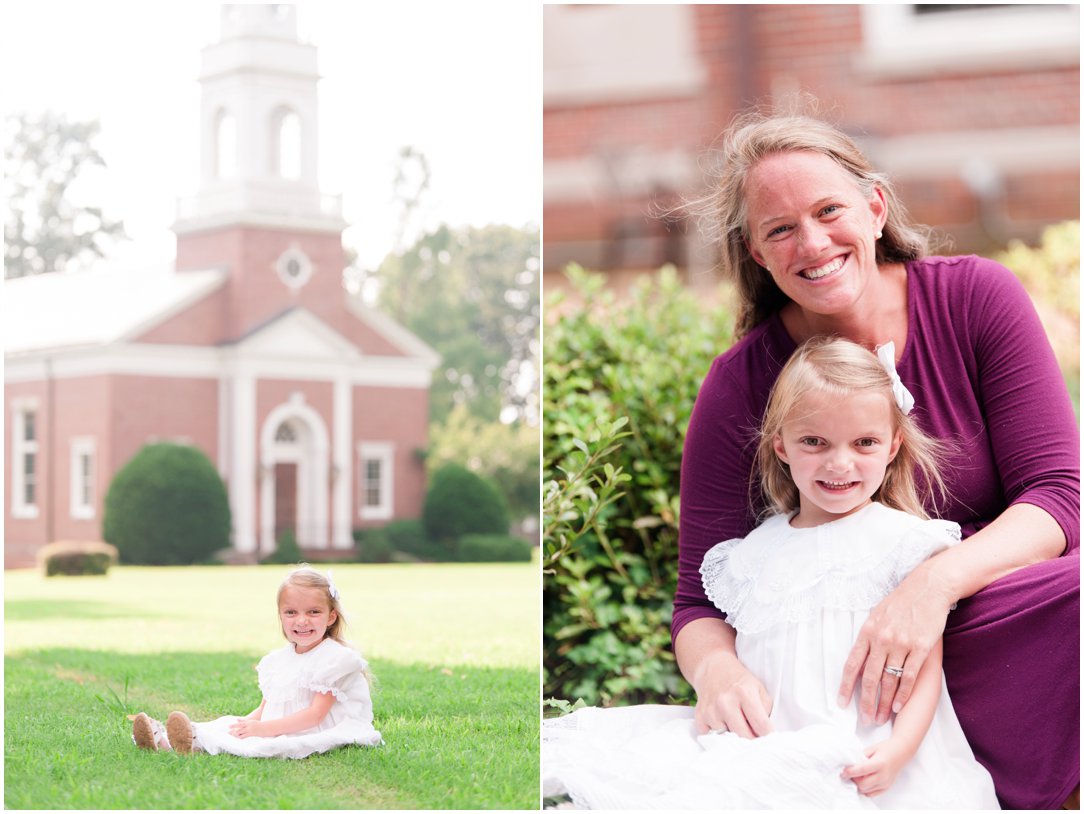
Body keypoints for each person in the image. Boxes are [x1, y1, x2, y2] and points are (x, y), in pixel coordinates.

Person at [675, 110, 1078, 809]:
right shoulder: (741, 383)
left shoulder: (975, 297)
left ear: (875, 208)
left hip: (996, 611)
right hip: (853, 663)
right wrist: (717, 673)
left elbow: (1059, 496)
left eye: (829, 211)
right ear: (756, 253)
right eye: (780, 229)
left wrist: (929, 589)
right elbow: (697, 600)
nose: (813, 243)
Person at [543, 337, 999, 809]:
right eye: (814, 442)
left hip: (869, 754)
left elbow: (925, 667)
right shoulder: (755, 553)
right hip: (764, 749)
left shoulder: (904, 542)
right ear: (781, 444)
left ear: (893, 445)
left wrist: (901, 749)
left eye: (864, 442)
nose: (839, 463)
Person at [130, 566, 383, 758]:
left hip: (311, 729)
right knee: (229, 726)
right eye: (291, 612)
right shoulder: (279, 660)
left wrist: (262, 729)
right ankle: (164, 739)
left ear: (331, 617)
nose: (301, 621)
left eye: (313, 612)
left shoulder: (334, 659)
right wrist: (247, 724)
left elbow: (314, 716)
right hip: (277, 723)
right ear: (281, 616)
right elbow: (266, 708)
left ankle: (188, 743)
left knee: (266, 743)